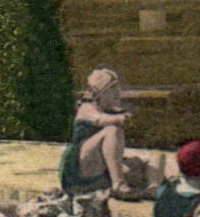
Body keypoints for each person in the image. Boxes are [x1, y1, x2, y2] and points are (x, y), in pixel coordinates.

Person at [60, 67, 154, 200]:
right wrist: (121, 118)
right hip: (80, 170)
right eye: (112, 88)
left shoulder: (113, 110)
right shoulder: (87, 108)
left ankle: (153, 189)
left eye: (118, 87)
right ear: (100, 92)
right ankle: (118, 184)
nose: (118, 92)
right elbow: (101, 120)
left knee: (155, 159)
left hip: (101, 169)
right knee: (112, 129)